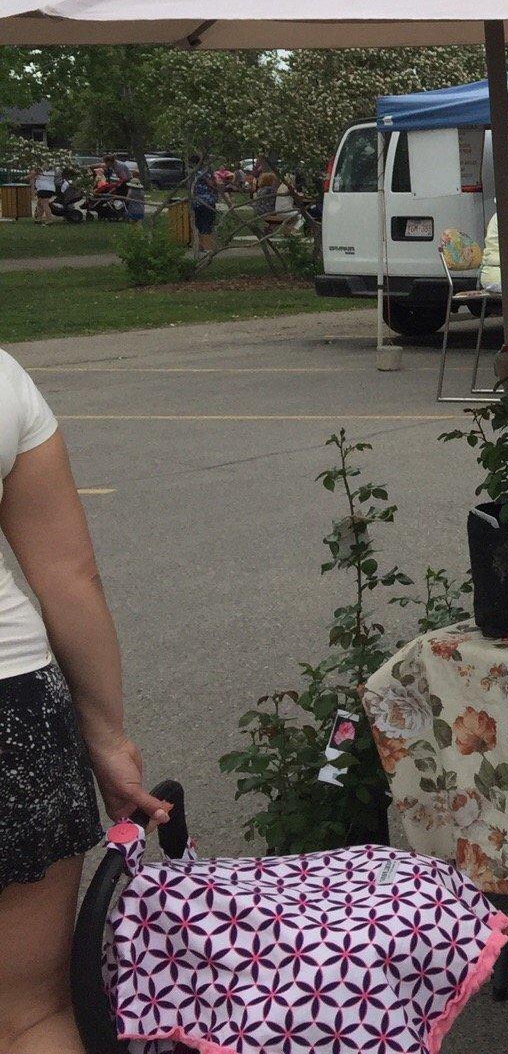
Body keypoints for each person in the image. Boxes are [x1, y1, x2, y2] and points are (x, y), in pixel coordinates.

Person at [0, 349, 169, 1054]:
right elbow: (69, 577)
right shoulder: (2, 377)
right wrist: (105, 735)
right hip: (11, 710)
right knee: (30, 1015)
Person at [188, 165, 217, 255]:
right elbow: (212, 184)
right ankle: (207, 247)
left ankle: (199, 246)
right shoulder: (204, 173)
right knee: (207, 224)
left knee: (198, 224)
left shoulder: (191, 173)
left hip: (196, 202)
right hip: (207, 202)